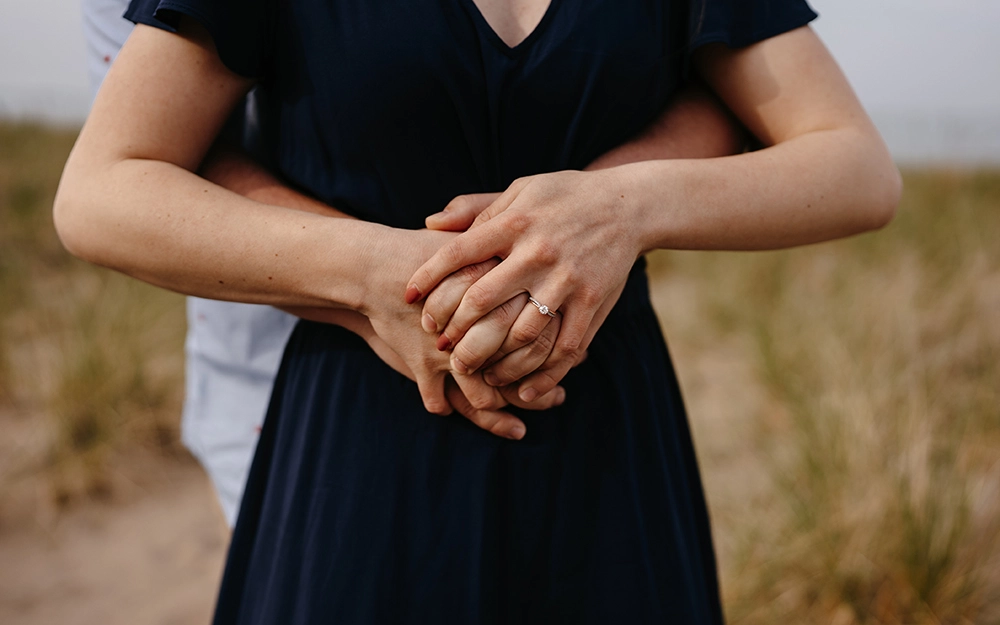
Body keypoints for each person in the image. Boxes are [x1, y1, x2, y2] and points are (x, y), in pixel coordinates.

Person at [55, 0, 901, 622]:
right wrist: (376, 274)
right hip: (360, 448)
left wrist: (622, 207)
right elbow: (103, 188)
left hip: (604, 445)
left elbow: (856, 164)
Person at [78, 0, 747, 528]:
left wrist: (605, 211)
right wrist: (402, 280)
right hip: (314, 382)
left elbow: (725, 88)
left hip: (601, 405)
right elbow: (147, 162)